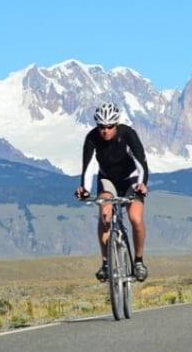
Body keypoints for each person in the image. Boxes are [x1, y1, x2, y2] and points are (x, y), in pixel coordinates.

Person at [75, 102, 150, 282]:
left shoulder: (128, 134)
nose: (105, 131)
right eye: (101, 126)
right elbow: (87, 168)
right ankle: (106, 263)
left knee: (135, 218)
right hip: (108, 180)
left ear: (116, 124)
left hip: (131, 179)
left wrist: (142, 184)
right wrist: (84, 189)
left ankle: (138, 261)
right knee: (105, 215)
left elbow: (142, 163)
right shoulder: (92, 138)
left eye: (109, 126)